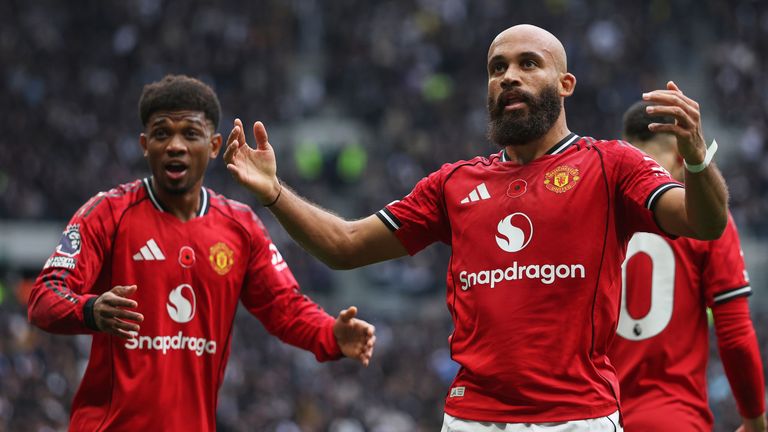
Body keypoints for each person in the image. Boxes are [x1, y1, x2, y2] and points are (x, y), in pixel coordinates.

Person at [224, 24, 728, 430]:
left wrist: (696, 161)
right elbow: (346, 246)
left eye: (529, 64)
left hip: (579, 417)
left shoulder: (610, 164)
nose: (509, 76)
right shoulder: (454, 185)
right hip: (472, 418)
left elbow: (703, 222)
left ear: (565, 84)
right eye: (497, 68)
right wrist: (274, 193)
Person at [27, 74, 376, 431]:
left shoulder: (240, 227)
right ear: (145, 144)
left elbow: (285, 307)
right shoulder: (108, 213)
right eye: (162, 134)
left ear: (213, 145)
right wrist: (90, 310)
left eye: (190, 134)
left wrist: (330, 333)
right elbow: (43, 297)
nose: (175, 145)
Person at [608, 101, 766, 432]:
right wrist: (754, 419)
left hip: (597, 418)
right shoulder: (707, 222)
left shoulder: (597, 214)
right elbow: (735, 334)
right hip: (675, 418)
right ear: (683, 158)